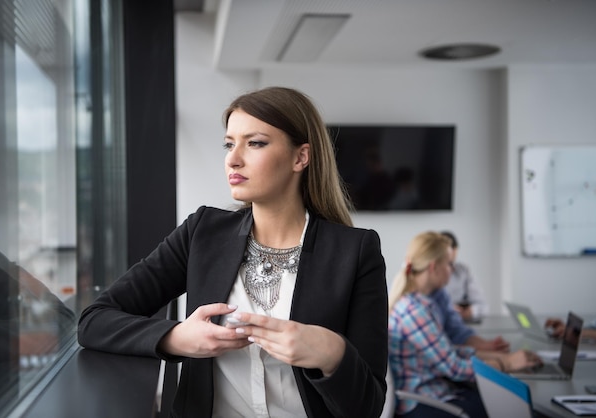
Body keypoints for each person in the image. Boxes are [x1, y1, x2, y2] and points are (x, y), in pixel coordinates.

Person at [77, 86, 389, 417]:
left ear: (301, 157)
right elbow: (94, 321)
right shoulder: (202, 232)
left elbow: (367, 407)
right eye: (229, 144)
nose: (233, 158)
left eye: (255, 143)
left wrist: (331, 353)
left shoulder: (356, 252)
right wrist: (176, 337)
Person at [388, 231, 542, 418]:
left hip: (434, 392)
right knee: (514, 410)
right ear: (434, 267)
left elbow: (447, 351)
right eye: (449, 264)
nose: (452, 270)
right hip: (424, 402)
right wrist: (507, 363)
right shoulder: (415, 312)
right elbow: (455, 368)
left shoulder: (420, 303)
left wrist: (494, 355)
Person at [440, 230, 488, 322]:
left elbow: (483, 306)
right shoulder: (427, 276)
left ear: (455, 250)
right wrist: (446, 309)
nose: (449, 270)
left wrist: (471, 311)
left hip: (459, 322)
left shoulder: (463, 271)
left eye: (450, 265)